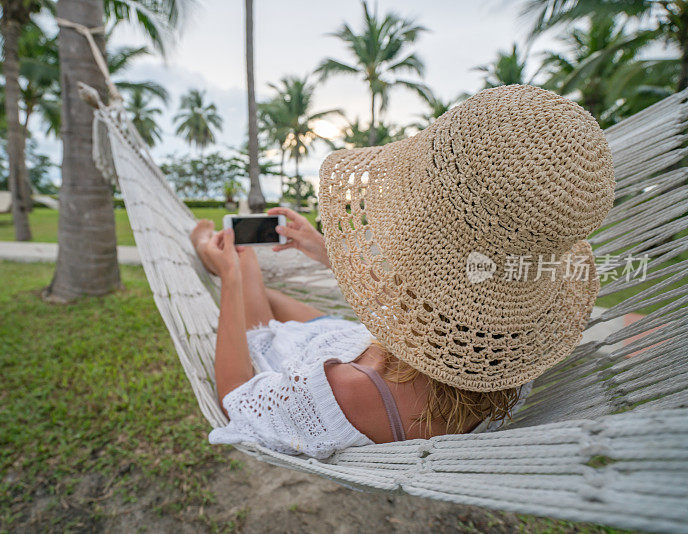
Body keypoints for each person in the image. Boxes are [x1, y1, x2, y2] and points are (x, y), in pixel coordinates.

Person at [192, 85, 615, 459]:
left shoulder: (354, 390)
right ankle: (231, 254)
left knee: (243, 265)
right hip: (364, 343)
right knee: (248, 269)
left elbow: (236, 399)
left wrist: (229, 276)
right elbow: (442, 289)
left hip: (332, 358)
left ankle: (218, 250)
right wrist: (326, 250)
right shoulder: (508, 356)